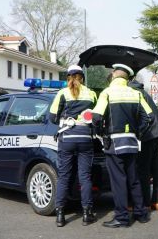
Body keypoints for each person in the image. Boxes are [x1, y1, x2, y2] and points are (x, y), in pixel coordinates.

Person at [92, 63, 154, 228]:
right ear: (127, 78)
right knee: (133, 179)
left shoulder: (107, 93)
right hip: (132, 143)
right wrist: (137, 132)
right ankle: (141, 214)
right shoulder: (136, 94)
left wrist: (100, 133)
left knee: (119, 181)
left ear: (113, 75)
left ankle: (122, 217)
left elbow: (96, 117)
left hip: (114, 143)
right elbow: (149, 118)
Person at [49, 65, 98, 227]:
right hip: (85, 139)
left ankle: (60, 215)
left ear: (68, 77)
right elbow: (97, 117)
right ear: (82, 78)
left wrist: (64, 120)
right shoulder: (91, 93)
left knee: (64, 176)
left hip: (67, 139)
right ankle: (87, 214)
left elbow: (52, 117)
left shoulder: (62, 93)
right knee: (84, 177)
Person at [128, 79, 158, 211]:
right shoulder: (143, 92)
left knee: (143, 168)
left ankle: (144, 202)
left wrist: (138, 133)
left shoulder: (134, 93)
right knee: (156, 167)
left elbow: (143, 116)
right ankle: (157, 201)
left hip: (149, 134)